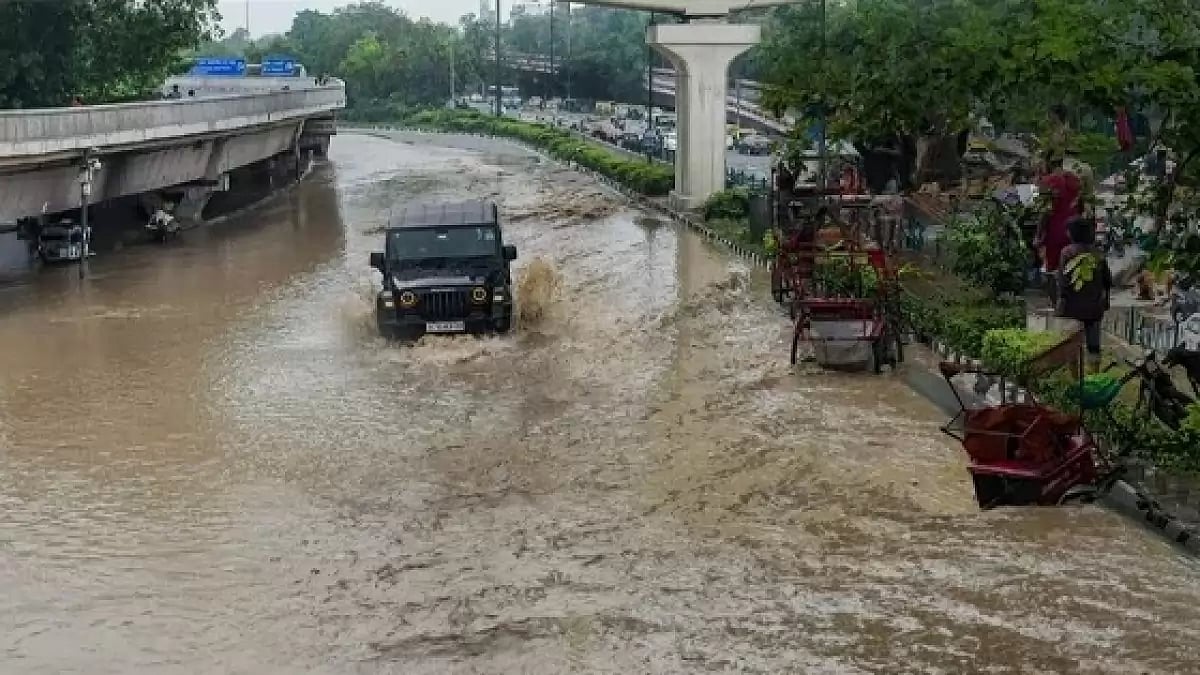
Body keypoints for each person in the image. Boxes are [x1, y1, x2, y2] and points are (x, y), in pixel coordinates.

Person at [1057, 217, 1112, 373]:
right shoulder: (1097, 253)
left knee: (1071, 344)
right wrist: (1105, 301)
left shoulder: (1067, 252)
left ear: (1073, 233)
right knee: (1093, 345)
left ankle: (1074, 378)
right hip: (1094, 307)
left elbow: (1063, 282)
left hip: (1071, 308)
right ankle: (1094, 375)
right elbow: (1107, 281)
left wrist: (1061, 302)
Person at [1036, 156, 1082, 303]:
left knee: (1051, 269)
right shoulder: (1075, 180)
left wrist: (1038, 234)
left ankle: (1057, 303)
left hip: (1055, 232)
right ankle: (1072, 301)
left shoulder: (1050, 182)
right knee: (1072, 267)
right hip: (1074, 230)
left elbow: (1046, 211)